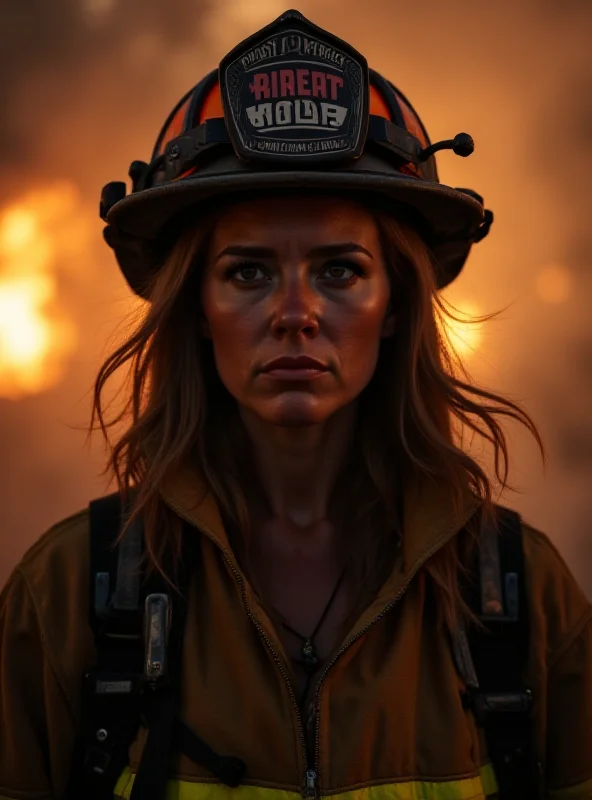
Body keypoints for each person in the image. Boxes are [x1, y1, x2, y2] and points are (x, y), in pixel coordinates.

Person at [0, 8, 590, 800]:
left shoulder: (524, 601)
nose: (295, 312)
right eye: (247, 272)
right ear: (196, 314)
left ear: (397, 310)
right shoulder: (67, 595)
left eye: (340, 270)